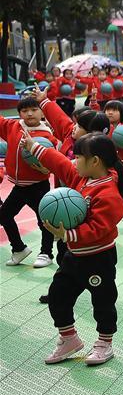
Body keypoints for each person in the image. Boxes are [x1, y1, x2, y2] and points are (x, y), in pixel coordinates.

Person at [22, 130, 123, 366]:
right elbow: (60, 164)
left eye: (78, 157)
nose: (73, 160)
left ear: (94, 161)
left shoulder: (108, 193)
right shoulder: (83, 178)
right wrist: (34, 147)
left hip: (98, 258)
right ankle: (69, 338)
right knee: (57, 296)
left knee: (103, 302)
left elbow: (99, 228)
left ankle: (104, 343)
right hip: (73, 256)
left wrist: (66, 234)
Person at [0, 96, 59, 268]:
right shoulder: (13, 127)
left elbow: (55, 162)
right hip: (19, 187)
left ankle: (46, 253)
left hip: (38, 186)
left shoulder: (48, 136)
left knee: (44, 221)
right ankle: (19, 249)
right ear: (19, 114)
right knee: (4, 215)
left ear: (42, 112)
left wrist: (45, 169)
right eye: (24, 111)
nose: (29, 114)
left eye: (34, 109)